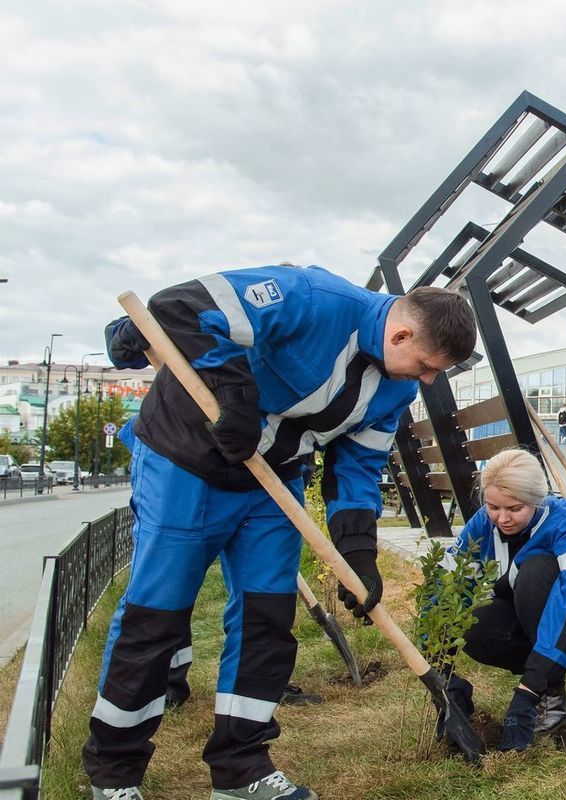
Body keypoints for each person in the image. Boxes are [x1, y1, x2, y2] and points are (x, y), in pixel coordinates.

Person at [84, 265, 476, 799]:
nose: (428, 380)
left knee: (267, 620)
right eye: (427, 365)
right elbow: (180, 307)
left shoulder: (395, 391)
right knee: (157, 616)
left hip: (274, 482)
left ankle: (241, 768)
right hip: (188, 461)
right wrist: (235, 393)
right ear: (401, 334)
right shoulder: (311, 298)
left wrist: (358, 553)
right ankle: (114, 773)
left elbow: (357, 469)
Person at [434, 448, 566, 752]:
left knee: (536, 572)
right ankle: (542, 683)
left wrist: (529, 689)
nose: (502, 518)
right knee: (475, 621)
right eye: (493, 506)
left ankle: (551, 699)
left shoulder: (565, 520)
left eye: (514, 508)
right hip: (532, 609)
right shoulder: (483, 524)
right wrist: (442, 674)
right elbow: (445, 589)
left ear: (537, 499)